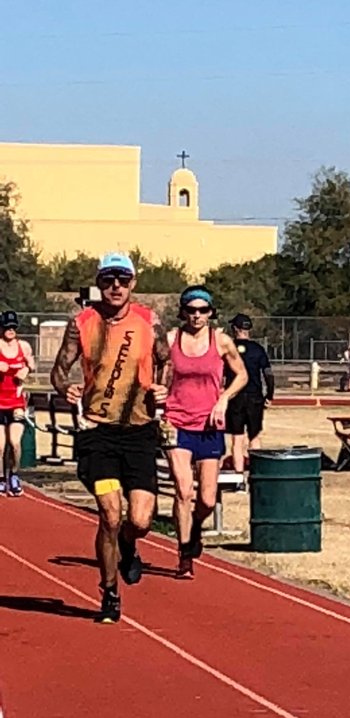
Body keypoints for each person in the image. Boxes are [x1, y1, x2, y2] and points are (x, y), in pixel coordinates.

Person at [50, 252, 170, 623]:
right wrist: (65, 388)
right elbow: (59, 370)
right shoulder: (81, 323)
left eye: (122, 279)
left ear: (133, 283)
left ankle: (129, 547)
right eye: (107, 279)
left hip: (139, 432)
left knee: (140, 519)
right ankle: (110, 591)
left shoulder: (151, 322)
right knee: (110, 513)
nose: (115, 286)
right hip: (98, 433)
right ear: (98, 284)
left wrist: (162, 390)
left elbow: (167, 362)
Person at [164, 286, 246, 579]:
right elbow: (151, 371)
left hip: (210, 426)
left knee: (208, 500)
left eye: (203, 310)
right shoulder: (171, 340)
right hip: (176, 422)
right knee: (184, 490)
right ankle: (184, 555)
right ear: (183, 311)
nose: (197, 315)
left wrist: (224, 398)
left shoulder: (221, 341)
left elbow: (242, 375)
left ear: (211, 313)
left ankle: (195, 530)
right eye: (191, 309)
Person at [224, 313, 274, 487]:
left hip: (235, 397)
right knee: (255, 437)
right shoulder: (258, 349)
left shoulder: (228, 348)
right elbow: (268, 374)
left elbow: (221, 375)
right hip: (254, 397)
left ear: (235, 329)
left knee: (237, 439)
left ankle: (239, 480)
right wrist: (270, 395)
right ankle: (256, 475)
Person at [0, 311, 35, 497]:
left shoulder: (24, 346)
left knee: (14, 443)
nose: (11, 330)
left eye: (13, 327)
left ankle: (13, 475)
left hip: (16, 402)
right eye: (7, 327)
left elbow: (32, 364)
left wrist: (27, 368)